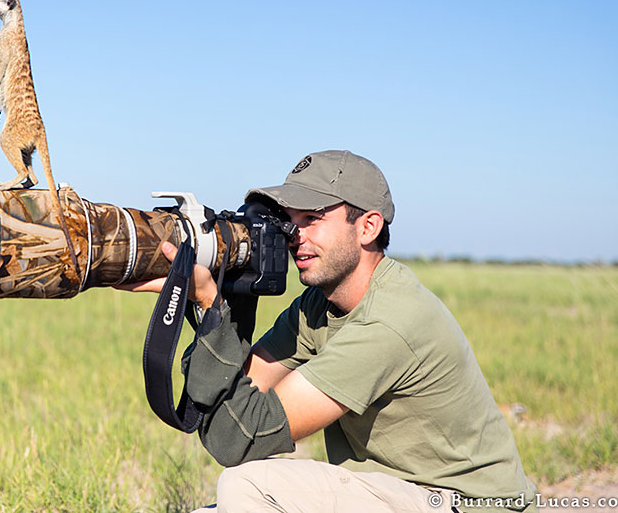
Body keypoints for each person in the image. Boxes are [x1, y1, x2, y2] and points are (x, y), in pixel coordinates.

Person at [122, 150, 538, 512]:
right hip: (397, 494)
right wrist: (217, 290)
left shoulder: (391, 321)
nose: (294, 236)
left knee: (245, 487)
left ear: (368, 227)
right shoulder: (319, 306)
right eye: (289, 221)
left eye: (313, 220)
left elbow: (242, 441)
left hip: (459, 502)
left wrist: (211, 305)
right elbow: (234, 400)